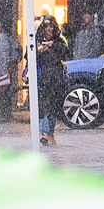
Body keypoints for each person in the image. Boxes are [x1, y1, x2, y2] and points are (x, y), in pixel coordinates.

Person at [34, 17, 69, 147]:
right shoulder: (36, 40)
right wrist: (39, 50)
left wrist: (52, 46)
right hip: (42, 78)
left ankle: (50, 132)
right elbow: (29, 56)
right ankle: (44, 133)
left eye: (51, 26)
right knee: (42, 106)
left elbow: (65, 54)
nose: (48, 29)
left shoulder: (59, 41)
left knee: (53, 107)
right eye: (46, 26)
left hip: (55, 79)